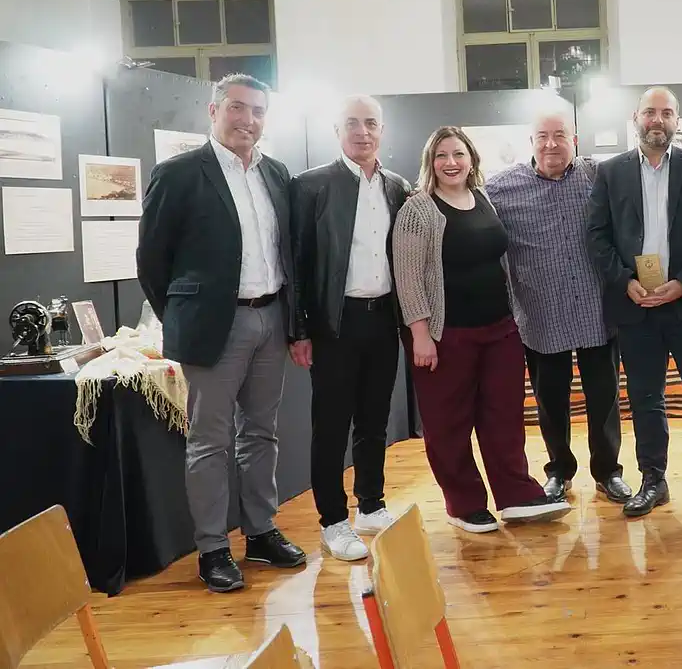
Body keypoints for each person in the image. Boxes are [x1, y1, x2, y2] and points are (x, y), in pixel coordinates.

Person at [137, 73, 305, 592]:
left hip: (271, 317)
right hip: (217, 326)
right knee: (209, 441)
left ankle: (260, 531)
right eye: (237, 107)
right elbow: (152, 260)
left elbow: (287, 252)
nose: (247, 120)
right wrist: (185, 317)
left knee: (261, 432)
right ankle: (212, 547)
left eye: (258, 111)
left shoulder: (276, 173)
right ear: (213, 111)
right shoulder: (180, 173)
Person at [392, 126, 571, 534]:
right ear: (430, 163)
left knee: (504, 418)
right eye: (441, 156)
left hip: (500, 330)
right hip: (445, 335)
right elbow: (408, 279)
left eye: (458, 154)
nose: (451, 163)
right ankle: (464, 503)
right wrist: (420, 334)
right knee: (448, 424)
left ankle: (516, 494)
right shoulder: (418, 210)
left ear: (471, 158)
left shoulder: (484, 198)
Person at [586, 86, 682, 520]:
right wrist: (624, 281)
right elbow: (596, 235)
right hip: (636, 306)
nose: (657, 120)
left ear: (676, 121)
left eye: (666, 113)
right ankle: (653, 480)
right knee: (644, 398)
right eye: (650, 112)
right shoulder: (610, 172)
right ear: (636, 118)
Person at [487, 105, 631, 505]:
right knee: (550, 403)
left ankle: (608, 472)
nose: (551, 144)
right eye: (543, 137)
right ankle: (559, 472)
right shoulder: (499, 189)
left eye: (560, 136)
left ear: (575, 140)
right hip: (540, 316)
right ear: (531, 142)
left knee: (604, 399)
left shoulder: (599, 177)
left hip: (596, 312)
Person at [288, 95, 411, 561]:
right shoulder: (310, 186)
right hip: (334, 323)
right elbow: (296, 262)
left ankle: (371, 505)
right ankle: (333, 521)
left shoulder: (397, 186)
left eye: (371, 123)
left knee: (374, 420)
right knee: (331, 425)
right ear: (336, 130)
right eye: (353, 123)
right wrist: (299, 329)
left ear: (382, 130)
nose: (363, 132)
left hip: (383, 319)